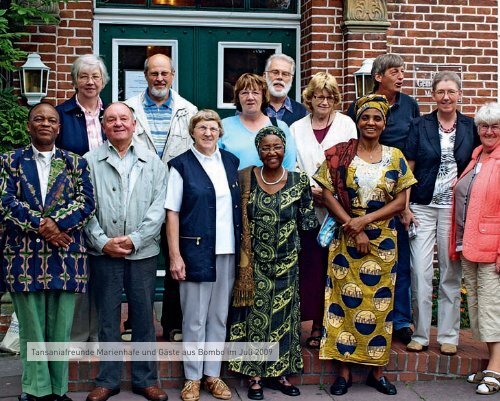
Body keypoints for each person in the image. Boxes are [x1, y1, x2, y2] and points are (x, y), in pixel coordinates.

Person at [315, 95, 416, 396]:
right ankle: (343, 373)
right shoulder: (340, 154)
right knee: (343, 303)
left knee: (380, 305)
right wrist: (353, 224)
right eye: (365, 118)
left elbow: (400, 200)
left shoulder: (395, 156)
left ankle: (377, 372)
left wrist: (366, 221)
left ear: (384, 123)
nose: (370, 123)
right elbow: (326, 193)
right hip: (346, 238)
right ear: (357, 121)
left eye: (377, 119)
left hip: (383, 242)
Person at [0, 103, 95, 401]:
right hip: (23, 257)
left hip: (66, 258)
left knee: (60, 329)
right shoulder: (10, 161)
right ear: (29, 126)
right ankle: (35, 389)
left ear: (58, 128)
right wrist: (43, 225)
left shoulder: (75, 163)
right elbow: (6, 202)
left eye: (51, 120)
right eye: (38, 119)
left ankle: (58, 389)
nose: (45, 123)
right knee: (32, 328)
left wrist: (57, 224)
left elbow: (87, 203)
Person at [84, 103, 168, 401]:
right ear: (103, 126)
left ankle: (146, 380)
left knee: (144, 317)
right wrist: (102, 241)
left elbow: (159, 207)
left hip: (142, 253)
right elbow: (84, 208)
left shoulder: (153, 162)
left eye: (123, 119)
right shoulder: (89, 161)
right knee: (108, 318)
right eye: (111, 120)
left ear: (134, 124)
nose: (118, 123)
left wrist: (134, 240)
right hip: (103, 253)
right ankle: (108, 380)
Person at [229, 126, 317, 400]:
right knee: (255, 318)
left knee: (283, 320)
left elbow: (308, 222)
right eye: (265, 147)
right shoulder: (245, 179)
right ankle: (254, 374)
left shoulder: (299, 181)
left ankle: (279, 373)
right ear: (258, 150)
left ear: (285, 149)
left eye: (277, 147)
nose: (271, 153)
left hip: (288, 262)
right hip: (253, 263)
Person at [165, 110, 241, 401]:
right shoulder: (181, 165)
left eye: (213, 128)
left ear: (220, 132)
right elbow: (172, 212)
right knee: (194, 319)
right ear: (192, 132)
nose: (208, 133)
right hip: (195, 252)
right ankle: (192, 377)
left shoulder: (231, 162)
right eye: (202, 128)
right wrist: (175, 255)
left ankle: (213, 374)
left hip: (227, 251)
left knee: (219, 317)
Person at [404, 71, 479, 356]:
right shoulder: (419, 125)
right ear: (433, 95)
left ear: (459, 94)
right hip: (422, 207)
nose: (446, 97)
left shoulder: (470, 128)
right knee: (420, 272)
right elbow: (408, 168)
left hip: (454, 210)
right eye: (440, 92)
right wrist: (405, 207)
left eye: (451, 91)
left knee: (450, 272)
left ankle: (449, 335)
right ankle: (421, 334)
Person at [347, 54, 420, 345]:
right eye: (395, 71)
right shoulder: (359, 106)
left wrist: (405, 202)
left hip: (397, 193)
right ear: (378, 76)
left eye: (403, 71)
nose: (401, 76)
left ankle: (400, 321)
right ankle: (361, 316)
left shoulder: (410, 106)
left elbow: (411, 157)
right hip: (363, 194)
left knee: (399, 261)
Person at [125, 53, 198, 342]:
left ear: (173, 75)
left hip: (176, 193)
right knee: (136, 258)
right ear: (145, 75)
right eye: (154, 73)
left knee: (175, 257)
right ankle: (134, 321)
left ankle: (172, 323)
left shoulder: (188, 110)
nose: (159, 79)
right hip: (139, 192)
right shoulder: (129, 109)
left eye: (164, 73)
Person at [290, 72, 357, 349]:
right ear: (310, 98)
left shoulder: (346, 124)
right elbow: (291, 164)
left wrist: (329, 192)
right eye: (319, 95)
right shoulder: (296, 127)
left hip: (338, 210)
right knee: (310, 268)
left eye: (329, 96)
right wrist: (309, 190)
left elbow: (352, 163)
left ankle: (328, 326)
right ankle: (311, 324)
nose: (324, 101)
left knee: (336, 268)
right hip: (306, 209)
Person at [56, 53, 109, 344]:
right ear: (75, 79)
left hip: (107, 198)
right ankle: (76, 338)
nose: (90, 82)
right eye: (84, 76)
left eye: (95, 76)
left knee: (103, 266)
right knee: (75, 265)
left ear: (103, 81)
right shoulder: (61, 114)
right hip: (72, 201)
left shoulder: (112, 113)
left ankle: (100, 333)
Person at [449, 102, 500, 396]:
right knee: (480, 309)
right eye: (484, 126)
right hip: (471, 244)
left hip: (492, 247)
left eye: (495, 126)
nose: (489, 132)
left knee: (493, 308)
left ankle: (496, 369)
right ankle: (493, 362)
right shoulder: (478, 155)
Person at [220, 73, 297, 170]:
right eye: (244, 93)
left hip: (271, 185)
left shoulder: (280, 127)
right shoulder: (224, 126)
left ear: (263, 97)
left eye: (255, 93)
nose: (250, 97)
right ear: (238, 97)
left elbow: (288, 167)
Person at [263, 53, 307, 126]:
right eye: (275, 72)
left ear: (292, 79)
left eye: (285, 74)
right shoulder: (251, 108)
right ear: (265, 76)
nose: (280, 77)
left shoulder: (303, 112)